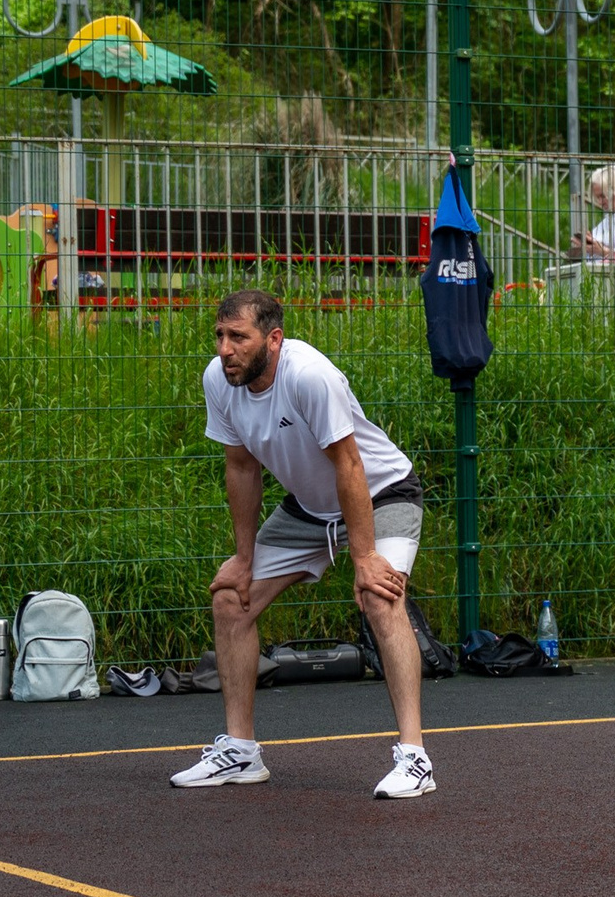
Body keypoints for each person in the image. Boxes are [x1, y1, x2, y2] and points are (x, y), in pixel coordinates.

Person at [170, 290, 438, 799]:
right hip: (310, 509)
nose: (225, 349)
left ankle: (415, 758)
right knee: (231, 599)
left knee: (381, 596)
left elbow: (349, 465)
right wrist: (244, 558)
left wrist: (364, 558)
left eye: (238, 338)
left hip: (381, 494)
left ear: (273, 340)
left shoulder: (309, 375)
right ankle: (240, 752)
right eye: (220, 336)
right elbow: (242, 467)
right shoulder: (219, 380)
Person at [571, 163, 615, 262]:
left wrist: (603, 252)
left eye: (603, 196)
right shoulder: (605, 223)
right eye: (597, 197)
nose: (600, 202)